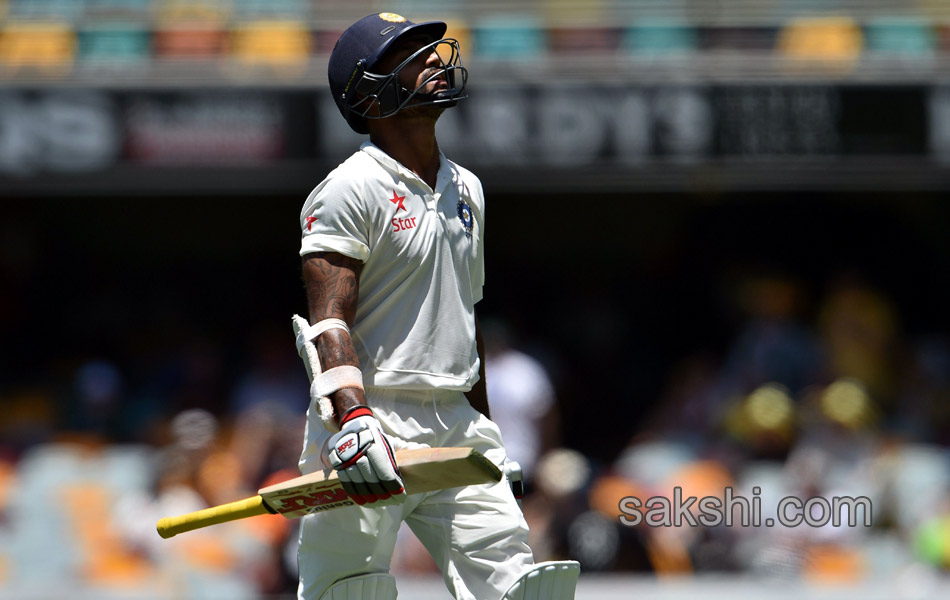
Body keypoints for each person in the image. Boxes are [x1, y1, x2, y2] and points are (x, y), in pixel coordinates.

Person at [292, 12, 579, 600]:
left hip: (456, 419)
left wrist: (487, 428)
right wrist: (353, 421)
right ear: (368, 87)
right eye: (410, 54)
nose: (434, 61)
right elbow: (327, 321)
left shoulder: (466, 188)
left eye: (432, 50)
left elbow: (465, 321)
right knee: (348, 591)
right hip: (371, 415)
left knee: (518, 588)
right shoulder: (352, 186)